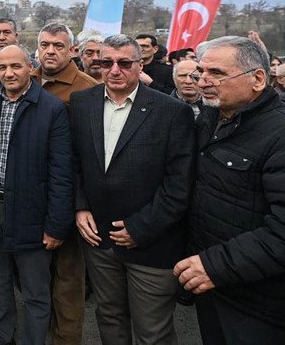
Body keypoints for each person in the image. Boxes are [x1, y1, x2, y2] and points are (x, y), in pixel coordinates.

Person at [71, 34, 195, 345]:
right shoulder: (83, 102)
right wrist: (80, 204)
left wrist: (140, 228)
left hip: (151, 246)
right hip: (99, 240)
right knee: (110, 317)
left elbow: (179, 183)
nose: (114, 70)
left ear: (140, 66)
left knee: (152, 331)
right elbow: (74, 161)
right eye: (106, 62)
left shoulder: (170, 111)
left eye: (124, 63)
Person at [174, 36, 285, 345]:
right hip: (215, 289)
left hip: (263, 303)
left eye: (216, 73)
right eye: (200, 72)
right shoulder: (211, 118)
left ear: (257, 79)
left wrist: (216, 265)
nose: (202, 81)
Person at [0, 44, 74, 345]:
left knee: (35, 291)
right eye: (2, 67)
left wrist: (55, 225)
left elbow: (62, 173)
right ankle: (0, 336)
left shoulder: (51, 109)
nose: (9, 73)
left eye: (16, 66)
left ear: (31, 67)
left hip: (32, 214)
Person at [31, 23, 98, 345]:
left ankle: (66, 338)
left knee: (68, 276)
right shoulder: (28, 80)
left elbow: (91, 153)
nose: (50, 51)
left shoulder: (86, 89)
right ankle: (41, 327)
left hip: (67, 193)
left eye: (58, 45)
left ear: (72, 50)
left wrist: (80, 202)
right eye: (45, 45)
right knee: (35, 270)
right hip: (32, 191)